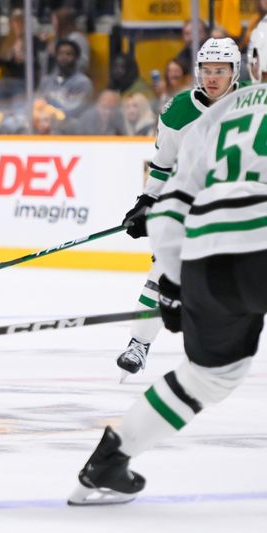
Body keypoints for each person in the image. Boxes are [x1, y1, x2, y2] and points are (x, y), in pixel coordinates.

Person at [68, 26, 267, 505]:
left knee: (208, 376)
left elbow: (175, 200)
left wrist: (175, 282)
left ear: (249, 65)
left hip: (208, 255)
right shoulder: (194, 110)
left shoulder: (222, 115)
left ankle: (108, 462)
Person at [116, 37, 249, 378]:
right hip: (192, 208)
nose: (213, 78)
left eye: (221, 70)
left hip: (243, 208)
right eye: (207, 70)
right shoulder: (179, 111)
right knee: (162, 274)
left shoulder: (254, 103)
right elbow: (162, 166)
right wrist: (146, 202)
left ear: (235, 72)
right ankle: (138, 344)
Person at [37, 39, 93, 119]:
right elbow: (38, 104)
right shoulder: (46, 81)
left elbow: (76, 111)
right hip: (46, 125)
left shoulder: (83, 82)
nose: (64, 57)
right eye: (60, 54)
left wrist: (52, 113)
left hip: (71, 127)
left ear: (76, 58)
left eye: (68, 54)